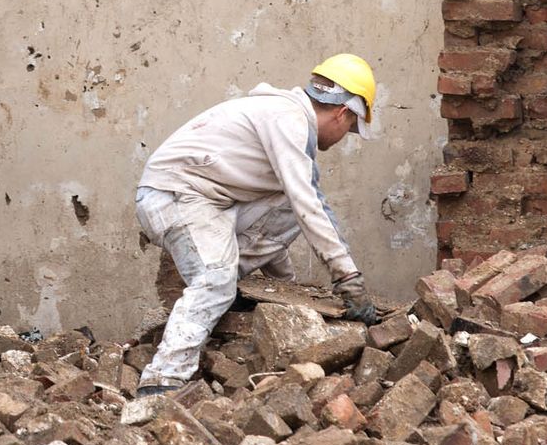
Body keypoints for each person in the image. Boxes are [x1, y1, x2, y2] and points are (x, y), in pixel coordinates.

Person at [132, 55, 382, 396]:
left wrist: (285, 292)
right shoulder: (288, 119)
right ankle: (162, 380)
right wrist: (349, 279)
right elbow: (308, 203)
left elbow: (290, 210)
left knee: (289, 202)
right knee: (215, 280)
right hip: (174, 195)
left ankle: (229, 290)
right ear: (343, 113)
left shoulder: (287, 121)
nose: (343, 136)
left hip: (206, 200)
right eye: (351, 128)